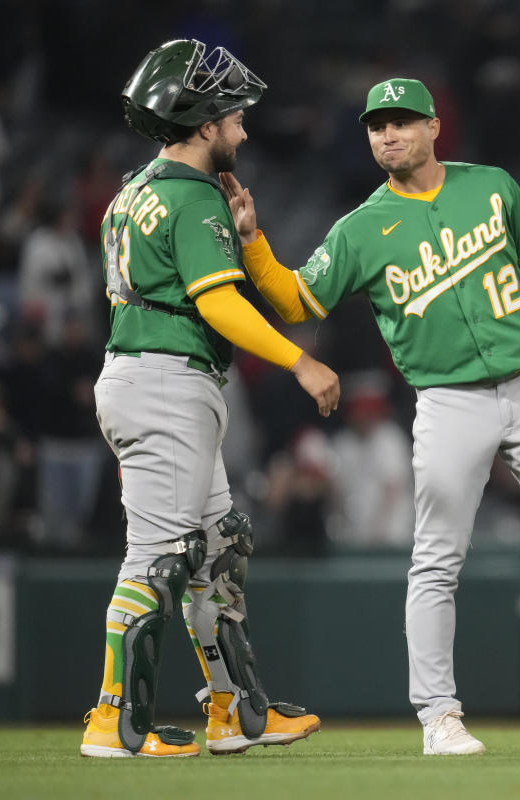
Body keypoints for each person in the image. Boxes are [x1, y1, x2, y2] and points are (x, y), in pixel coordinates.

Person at [222, 78, 520, 755]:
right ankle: (437, 715)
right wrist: (253, 245)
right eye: (375, 126)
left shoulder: (492, 186)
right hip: (449, 401)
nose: (387, 134)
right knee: (436, 560)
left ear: (432, 127)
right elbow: (296, 301)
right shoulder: (361, 228)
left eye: (400, 121)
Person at [80, 39, 340, 759]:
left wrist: (246, 236)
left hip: (155, 377)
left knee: (218, 546)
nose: (244, 130)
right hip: (164, 381)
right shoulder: (192, 196)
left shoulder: (135, 189)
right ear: (202, 125)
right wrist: (300, 362)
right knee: (158, 557)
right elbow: (219, 304)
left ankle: (235, 710)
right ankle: (113, 720)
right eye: (233, 117)